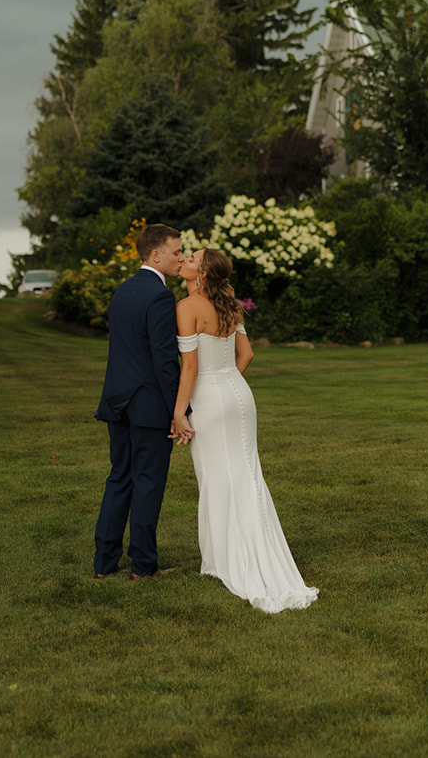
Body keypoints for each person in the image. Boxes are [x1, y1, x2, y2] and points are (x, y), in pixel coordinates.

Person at [172, 249, 317, 613]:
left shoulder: (187, 308)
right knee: (246, 475)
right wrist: (230, 383)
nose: (185, 259)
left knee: (217, 478)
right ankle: (239, 555)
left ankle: (224, 562)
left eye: (192, 258)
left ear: (202, 274)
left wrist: (178, 413)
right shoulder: (230, 305)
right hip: (239, 396)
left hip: (210, 399)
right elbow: (246, 355)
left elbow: (189, 368)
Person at [93, 223, 186, 581]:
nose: (180, 258)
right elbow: (165, 361)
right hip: (148, 405)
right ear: (156, 255)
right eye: (176, 252)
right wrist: (179, 411)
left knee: (119, 479)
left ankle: (104, 564)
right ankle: (144, 567)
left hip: (117, 401)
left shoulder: (123, 291)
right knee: (147, 483)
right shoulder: (161, 296)